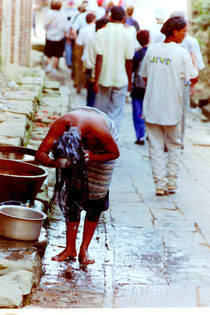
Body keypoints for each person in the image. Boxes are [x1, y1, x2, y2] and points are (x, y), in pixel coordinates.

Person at [35, 107, 119, 264]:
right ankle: (70, 248)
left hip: (103, 151)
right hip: (76, 142)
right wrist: (55, 163)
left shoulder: (99, 131)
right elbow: (40, 153)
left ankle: (84, 249)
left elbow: (115, 153)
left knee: (96, 197)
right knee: (73, 192)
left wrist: (92, 156)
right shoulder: (60, 126)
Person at [140, 16, 198, 196]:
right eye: (184, 31)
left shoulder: (152, 50)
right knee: (174, 144)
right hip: (172, 106)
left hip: (151, 105)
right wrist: (193, 60)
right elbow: (193, 77)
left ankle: (159, 184)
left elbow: (144, 76)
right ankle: (171, 182)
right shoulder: (181, 53)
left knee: (155, 147)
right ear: (175, 32)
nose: (185, 35)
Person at [93, 5, 135, 132]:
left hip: (104, 77)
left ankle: (99, 137)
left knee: (100, 112)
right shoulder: (128, 34)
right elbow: (129, 61)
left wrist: (96, 79)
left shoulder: (101, 32)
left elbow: (99, 58)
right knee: (116, 113)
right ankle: (112, 140)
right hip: (121, 78)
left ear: (110, 17)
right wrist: (129, 81)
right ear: (124, 19)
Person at [170, 11, 205, 149]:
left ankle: (168, 140)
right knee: (182, 113)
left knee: (168, 109)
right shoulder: (191, 41)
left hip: (167, 81)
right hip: (184, 82)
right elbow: (197, 68)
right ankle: (179, 141)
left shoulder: (163, 40)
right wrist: (192, 86)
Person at [84, 16, 110, 107]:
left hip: (95, 73)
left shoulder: (96, 40)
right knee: (93, 102)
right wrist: (94, 78)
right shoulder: (94, 41)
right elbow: (93, 60)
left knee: (93, 102)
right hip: (94, 74)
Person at [131, 30, 150, 145]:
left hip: (138, 88)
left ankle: (140, 136)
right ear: (149, 39)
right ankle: (150, 133)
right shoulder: (152, 52)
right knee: (149, 111)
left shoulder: (137, 54)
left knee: (138, 112)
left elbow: (132, 69)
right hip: (150, 87)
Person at [43, 1, 67, 75]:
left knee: (48, 53)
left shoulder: (48, 14)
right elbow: (65, 28)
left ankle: (49, 66)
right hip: (59, 37)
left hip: (49, 36)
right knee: (57, 54)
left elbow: (44, 26)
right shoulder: (63, 15)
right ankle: (54, 68)